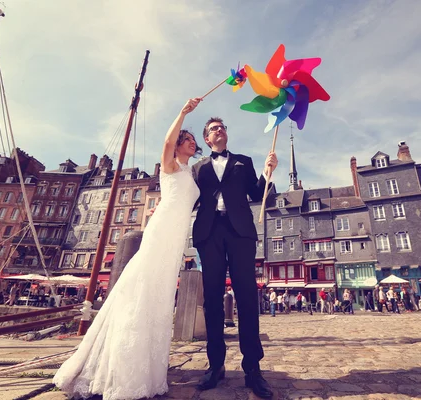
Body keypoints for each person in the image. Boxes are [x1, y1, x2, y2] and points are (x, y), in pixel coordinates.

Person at [53, 98, 204, 399]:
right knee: (140, 289)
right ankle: (120, 370)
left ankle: (146, 371)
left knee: (159, 298)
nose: (191, 143)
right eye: (186, 139)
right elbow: (167, 139)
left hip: (176, 238)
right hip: (161, 231)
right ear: (177, 146)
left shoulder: (190, 172)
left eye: (192, 140)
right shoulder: (170, 165)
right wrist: (183, 112)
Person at [192, 115, 277, 399]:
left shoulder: (244, 161)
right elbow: (186, 200)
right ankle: (215, 366)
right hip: (209, 232)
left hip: (240, 232)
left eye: (223, 127)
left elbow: (259, 193)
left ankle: (252, 369)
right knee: (212, 300)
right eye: (214, 129)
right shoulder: (197, 168)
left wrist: (268, 173)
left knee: (247, 297)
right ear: (207, 139)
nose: (220, 130)